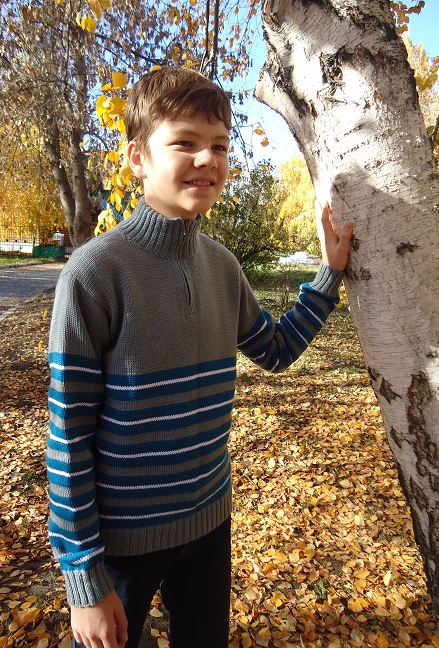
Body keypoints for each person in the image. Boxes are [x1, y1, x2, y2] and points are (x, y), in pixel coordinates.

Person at [47, 66, 353, 648]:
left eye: (219, 146)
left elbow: (276, 350)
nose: (207, 159)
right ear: (138, 158)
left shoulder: (222, 267)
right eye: (185, 142)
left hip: (210, 525)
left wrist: (329, 274)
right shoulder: (94, 274)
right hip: (122, 548)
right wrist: (83, 580)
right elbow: (68, 438)